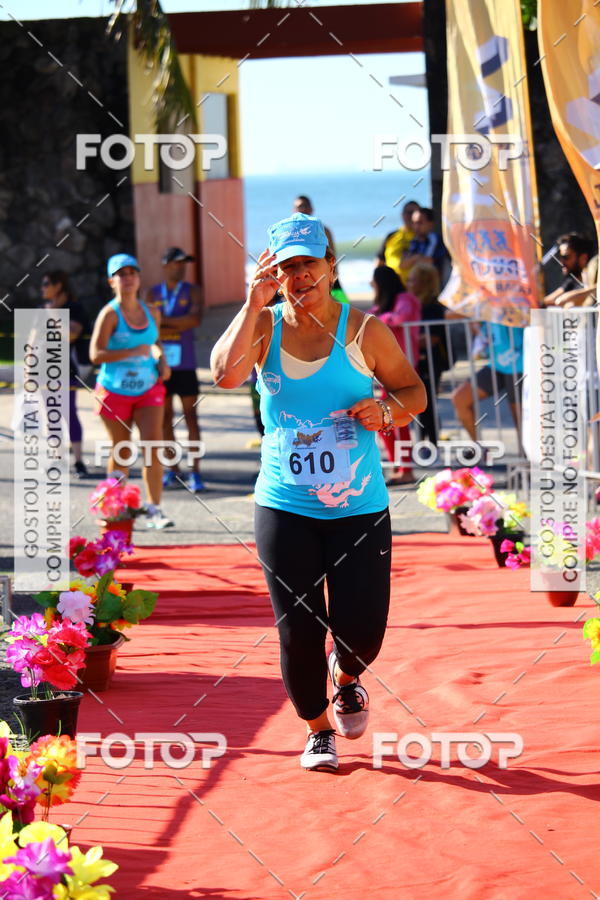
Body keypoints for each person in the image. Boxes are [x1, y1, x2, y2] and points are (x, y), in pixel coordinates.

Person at [210, 213, 426, 772]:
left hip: (359, 506)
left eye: (308, 262)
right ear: (272, 273)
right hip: (284, 504)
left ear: (330, 265)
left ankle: (347, 674)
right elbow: (224, 375)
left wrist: (385, 412)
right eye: (286, 267)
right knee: (298, 629)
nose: (299, 275)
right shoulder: (264, 327)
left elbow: (413, 391)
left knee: (364, 631)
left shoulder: (364, 331)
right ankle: (317, 730)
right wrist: (252, 303)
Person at [90, 253, 174, 529]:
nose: (128, 278)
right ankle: (114, 509)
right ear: (111, 281)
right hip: (114, 391)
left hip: (148, 388)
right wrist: (131, 351)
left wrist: (162, 361)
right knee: (122, 450)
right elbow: (95, 354)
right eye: (121, 274)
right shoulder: (110, 314)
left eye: (132, 273)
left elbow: (156, 342)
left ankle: (154, 510)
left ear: (139, 278)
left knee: (153, 447)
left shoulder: (152, 312)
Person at [147, 247, 206, 492]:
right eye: (177, 263)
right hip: (162, 365)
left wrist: (162, 321)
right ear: (166, 265)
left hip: (186, 364)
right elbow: (148, 326)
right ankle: (173, 470)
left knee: (191, 417)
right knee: (165, 419)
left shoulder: (193, 291)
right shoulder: (152, 292)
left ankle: (195, 472)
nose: (182, 268)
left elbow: (194, 319)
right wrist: (175, 323)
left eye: (185, 263)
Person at [369, 266, 421, 485]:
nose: (371, 285)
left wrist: (377, 320)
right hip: (387, 369)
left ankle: (405, 468)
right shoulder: (386, 303)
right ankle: (399, 466)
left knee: (398, 420)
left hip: (403, 368)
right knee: (387, 421)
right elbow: (369, 318)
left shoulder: (405, 299)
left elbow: (400, 317)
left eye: (374, 281)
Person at [41, 270, 90, 478]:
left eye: (46, 284)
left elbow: (71, 335)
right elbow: (33, 340)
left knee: (69, 413)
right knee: (52, 417)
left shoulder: (74, 308)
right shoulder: (42, 309)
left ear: (58, 285)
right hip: (43, 372)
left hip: (66, 370)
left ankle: (79, 462)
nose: (42, 288)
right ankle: (58, 459)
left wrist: (53, 313)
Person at [451, 320, 524, 452]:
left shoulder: (517, 308)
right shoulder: (487, 312)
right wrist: (476, 327)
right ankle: (479, 449)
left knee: (520, 416)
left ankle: (527, 457)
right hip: (496, 365)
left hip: (520, 365)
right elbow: (450, 315)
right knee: (460, 398)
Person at [406, 262, 449, 447]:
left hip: (431, 360)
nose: (408, 284)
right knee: (421, 404)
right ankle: (423, 443)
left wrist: (408, 337)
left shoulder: (433, 307)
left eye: (412, 280)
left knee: (427, 402)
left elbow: (432, 338)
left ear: (423, 283)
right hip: (417, 359)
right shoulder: (413, 304)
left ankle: (431, 444)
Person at [292, 195, 346, 298]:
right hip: (300, 277)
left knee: (342, 303)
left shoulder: (323, 230)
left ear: (311, 209)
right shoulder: (291, 234)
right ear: (294, 211)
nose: (302, 209)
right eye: (299, 207)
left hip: (323, 274)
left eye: (305, 206)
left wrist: (333, 274)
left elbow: (332, 254)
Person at [543, 232, 595, 307]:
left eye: (566, 257)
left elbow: (561, 301)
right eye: (561, 257)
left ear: (583, 258)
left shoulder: (593, 278)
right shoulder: (571, 281)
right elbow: (549, 300)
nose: (562, 262)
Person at [376, 199, 420, 285]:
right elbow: (380, 261)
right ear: (402, 214)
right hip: (391, 284)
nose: (410, 216)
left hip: (414, 285)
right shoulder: (391, 235)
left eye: (414, 212)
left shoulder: (423, 237)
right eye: (408, 212)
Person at [402, 207, 450, 284]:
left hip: (436, 285)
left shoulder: (436, 240)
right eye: (414, 223)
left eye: (420, 223)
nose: (416, 227)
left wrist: (414, 259)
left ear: (430, 224)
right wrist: (416, 258)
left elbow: (428, 263)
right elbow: (402, 265)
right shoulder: (413, 241)